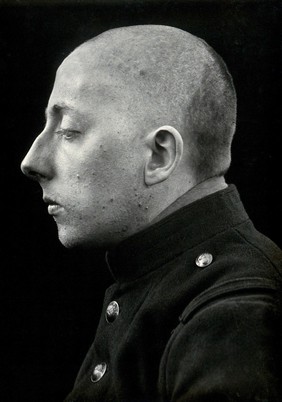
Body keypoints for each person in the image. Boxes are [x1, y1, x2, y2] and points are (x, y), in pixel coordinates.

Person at [21, 25, 282, 402]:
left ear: (160, 155)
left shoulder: (233, 318)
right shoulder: (170, 284)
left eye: (69, 130)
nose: (31, 161)